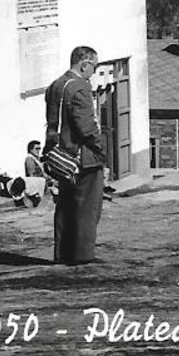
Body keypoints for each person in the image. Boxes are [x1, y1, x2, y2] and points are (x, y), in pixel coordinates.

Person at [44, 45, 109, 264]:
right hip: (83, 158)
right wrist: (102, 148)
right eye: (94, 66)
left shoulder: (55, 86)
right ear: (84, 64)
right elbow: (86, 127)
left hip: (61, 157)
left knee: (65, 206)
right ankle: (82, 257)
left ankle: (62, 254)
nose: (94, 72)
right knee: (87, 208)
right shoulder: (80, 88)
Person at [22, 140, 46, 207]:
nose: (38, 150)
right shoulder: (30, 159)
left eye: (39, 148)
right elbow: (31, 176)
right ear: (31, 149)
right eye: (36, 148)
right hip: (38, 186)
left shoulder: (36, 158)